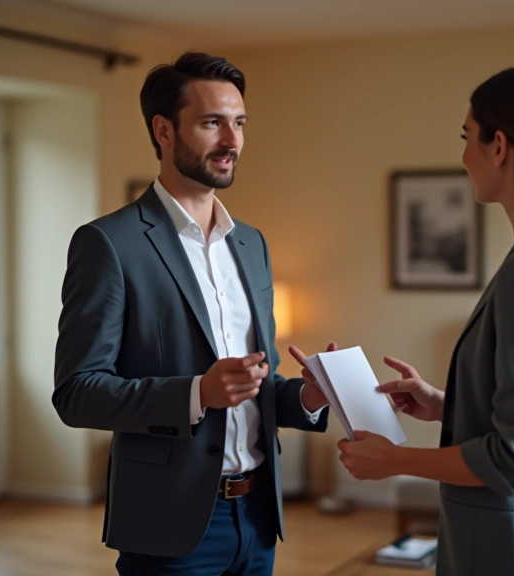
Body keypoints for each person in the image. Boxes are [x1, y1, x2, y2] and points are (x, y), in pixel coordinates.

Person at [319, 65, 514, 575]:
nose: (464, 155)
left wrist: (394, 461)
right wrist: (446, 405)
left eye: (467, 137)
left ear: (500, 146)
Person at [52, 51, 332, 576]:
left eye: (239, 123)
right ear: (163, 130)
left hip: (257, 517)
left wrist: (307, 396)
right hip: (168, 524)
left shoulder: (251, 245)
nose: (232, 141)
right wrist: (195, 393)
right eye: (212, 123)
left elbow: (255, 387)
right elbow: (76, 393)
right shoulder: (108, 244)